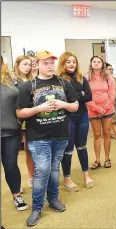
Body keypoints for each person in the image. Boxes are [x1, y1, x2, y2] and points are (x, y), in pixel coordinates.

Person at [16, 50, 79, 227]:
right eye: (45, 63)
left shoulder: (63, 82)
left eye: (52, 62)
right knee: (42, 170)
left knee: (53, 169)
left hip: (60, 135)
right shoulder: (28, 86)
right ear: (37, 64)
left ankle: (53, 199)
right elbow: (20, 112)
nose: (50, 66)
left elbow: (75, 106)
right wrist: (39, 108)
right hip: (38, 137)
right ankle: (37, 207)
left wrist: (63, 104)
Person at [57, 52, 94, 192]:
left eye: (74, 61)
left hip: (82, 115)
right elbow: (63, 99)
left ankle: (86, 174)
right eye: (68, 62)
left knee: (82, 146)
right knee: (68, 149)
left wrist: (74, 97)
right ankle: (67, 178)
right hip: (68, 117)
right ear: (63, 63)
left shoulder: (81, 77)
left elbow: (89, 96)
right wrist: (80, 95)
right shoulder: (59, 79)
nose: (72, 64)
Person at [1, 56, 28, 211]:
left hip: (11, 130)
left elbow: (23, 97)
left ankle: (16, 196)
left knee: (11, 165)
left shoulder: (12, 78)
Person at [86, 56, 116, 169]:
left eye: (99, 62)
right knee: (97, 135)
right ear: (91, 63)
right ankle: (97, 160)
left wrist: (104, 108)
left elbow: (112, 94)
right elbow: (86, 96)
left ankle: (107, 159)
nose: (96, 63)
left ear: (102, 64)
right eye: (94, 61)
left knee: (107, 133)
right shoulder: (86, 77)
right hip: (93, 111)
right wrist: (97, 109)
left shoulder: (108, 77)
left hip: (107, 110)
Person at [11, 55, 34, 187]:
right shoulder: (12, 80)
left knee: (30, 149)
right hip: (17, 118)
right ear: (17, 64)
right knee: (14, 151)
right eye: (25, 64)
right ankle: (16, 182)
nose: (27, 67)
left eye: (29, 65)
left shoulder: (32, 80)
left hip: (31, 117)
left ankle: (32, 176)